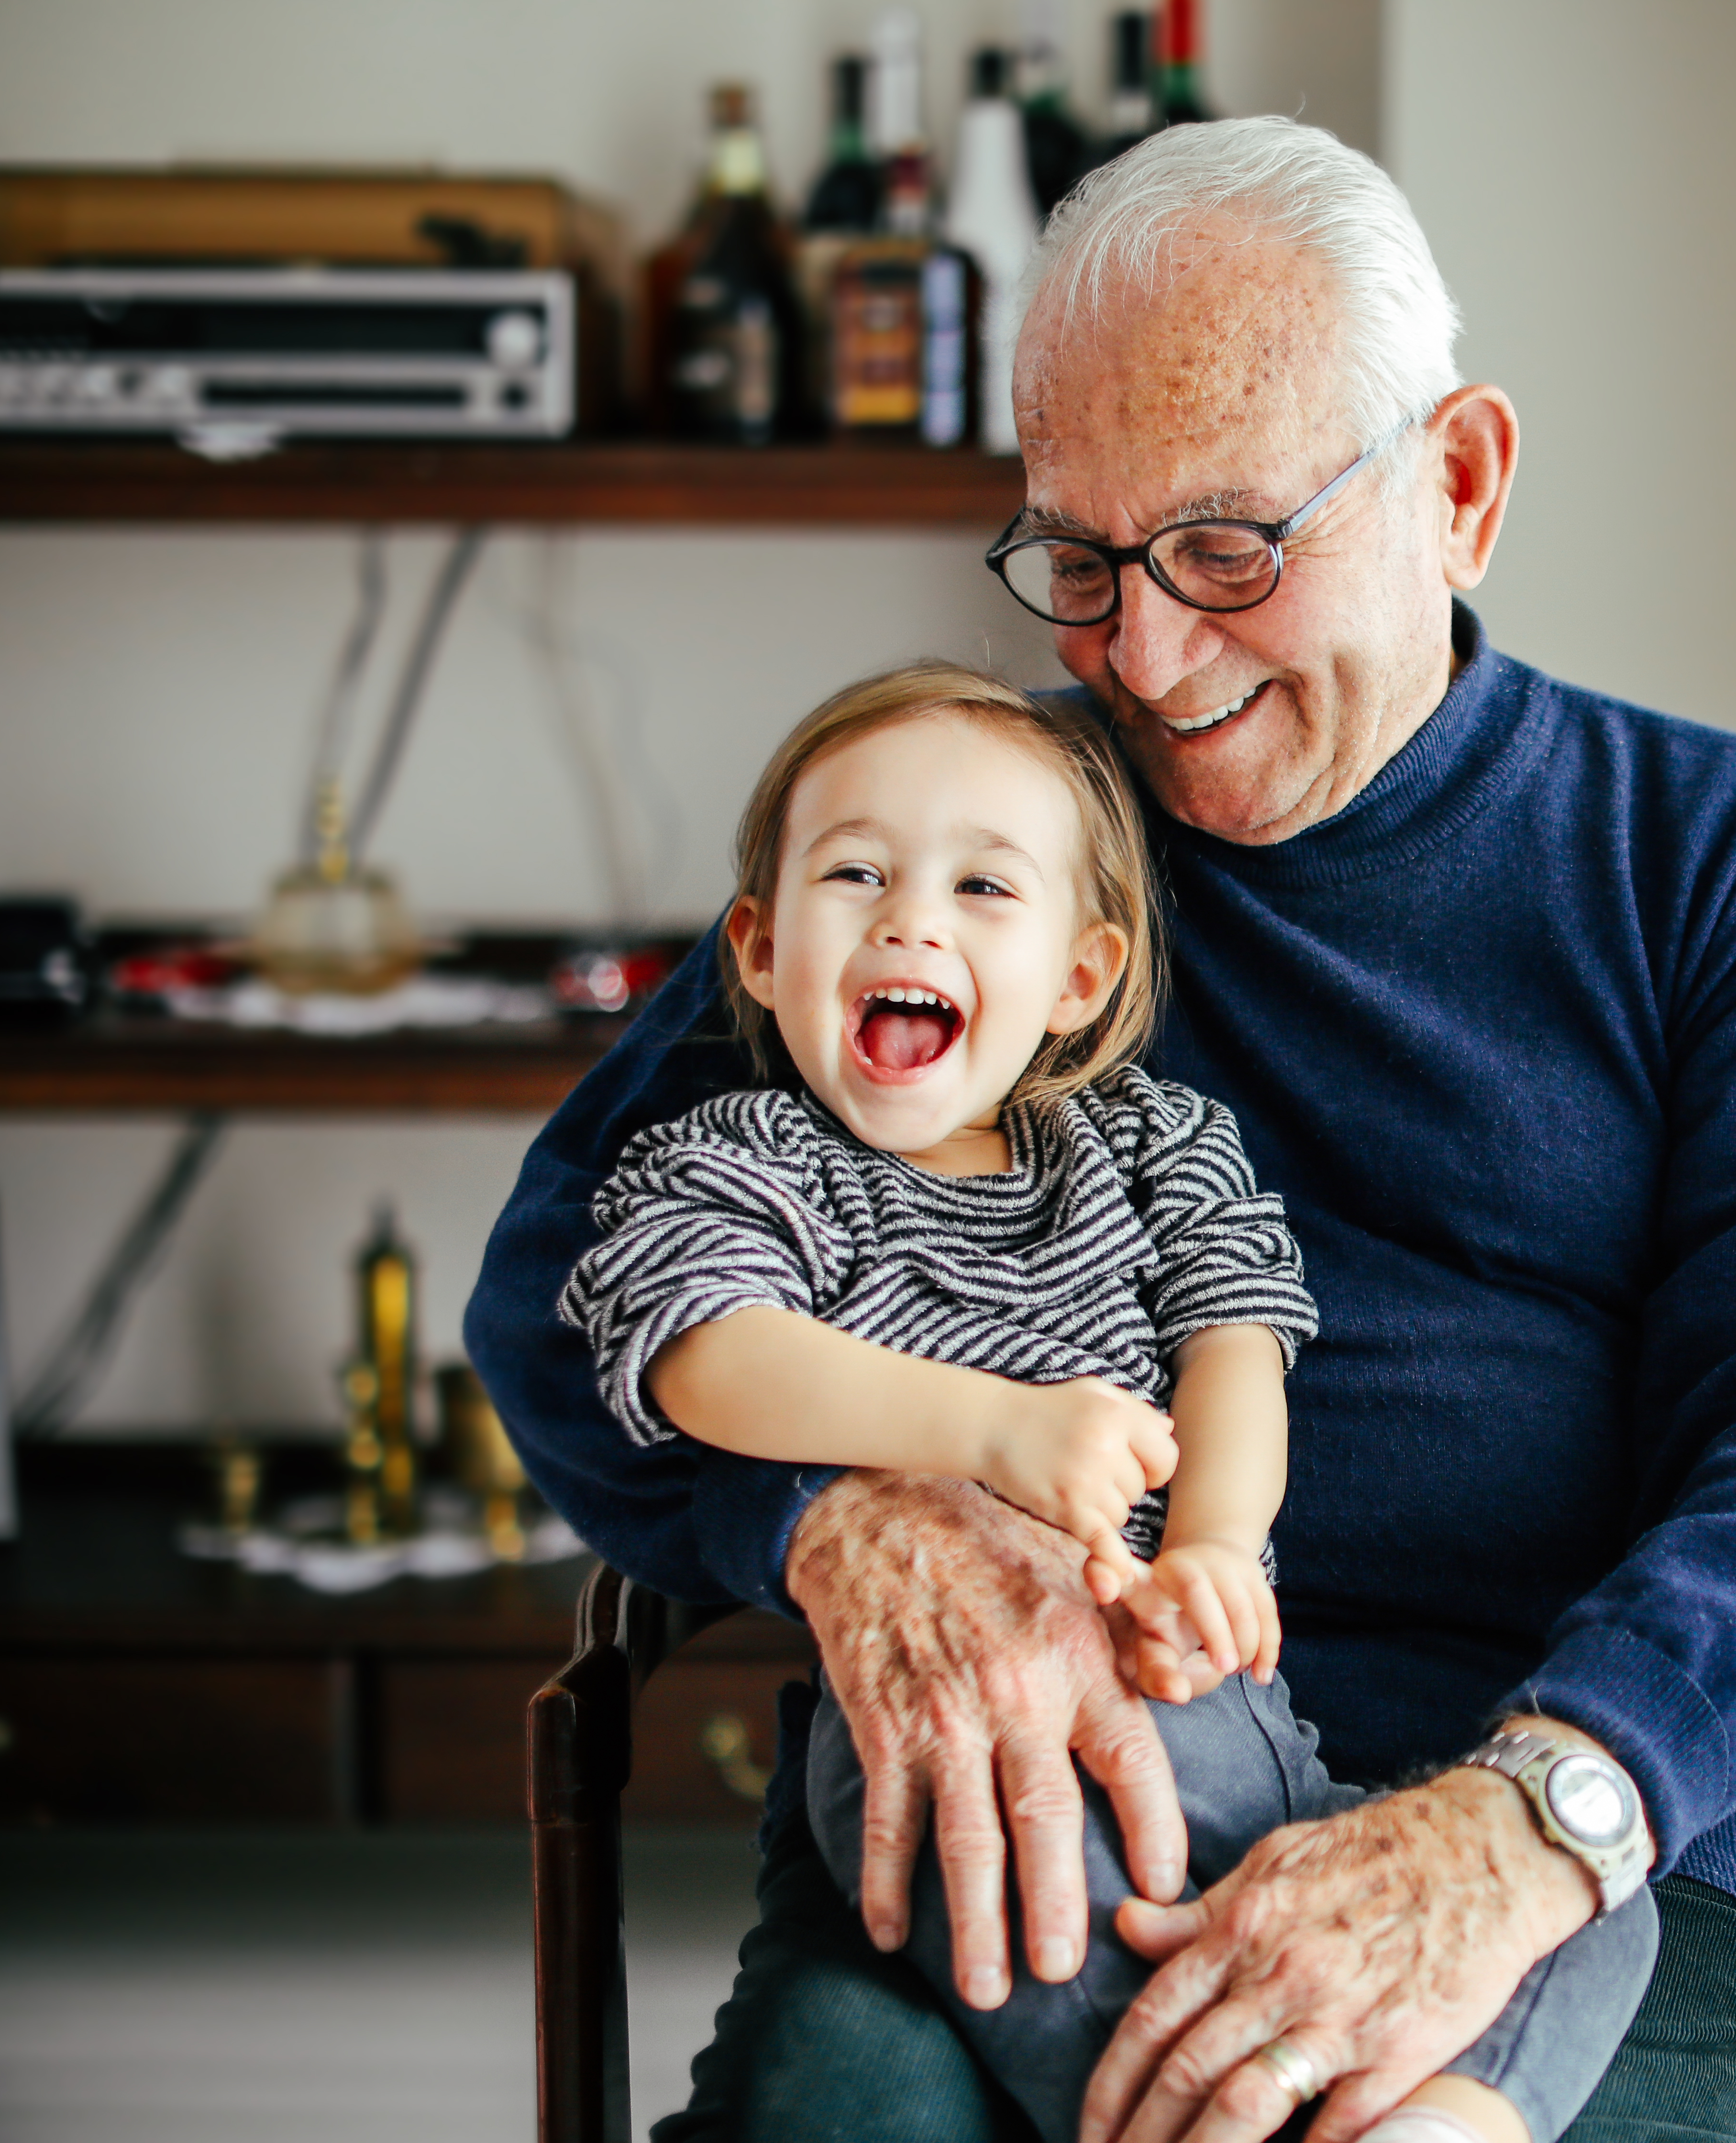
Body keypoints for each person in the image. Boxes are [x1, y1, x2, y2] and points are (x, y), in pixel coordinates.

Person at [468, 114, 1736, 2143]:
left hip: (1581, 1826)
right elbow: (570, 1281)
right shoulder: (987, 854)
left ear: (1459, 486)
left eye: (1229, 550)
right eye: (1078, 560)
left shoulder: (1734, 867)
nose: (1144, 663)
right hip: (1044, 1782)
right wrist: (839, 1513)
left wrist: (1518, 1832)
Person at [556, 663, 1656, 2143]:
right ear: (757, 949)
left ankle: (1444, 2122)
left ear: (1081, 975)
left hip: (1233, 1723)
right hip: (958, 1734)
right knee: (1026, 1911)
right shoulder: (753, 1159)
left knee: (1593, 1906)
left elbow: (1240, 1348)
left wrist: (1210, 1542)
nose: (911, 920)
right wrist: (990, 1432)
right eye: (857, 873)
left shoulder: (1149, 1146)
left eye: (982, 888)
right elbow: (705, 1351)